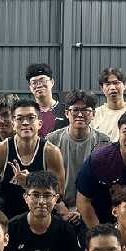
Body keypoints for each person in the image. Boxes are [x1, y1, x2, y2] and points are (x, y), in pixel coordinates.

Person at [0, 97, 66, 221]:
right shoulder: (0, 150)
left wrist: (30, 181)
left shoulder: (51, 152)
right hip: (8, 218)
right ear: (13, 124)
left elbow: (59, 194)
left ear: (39, 123)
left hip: (42, 218)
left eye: (31, 118)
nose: (25, 123)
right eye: (20, 119)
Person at [45, 91, 109, 225]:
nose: (80, 115)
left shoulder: (103, 141)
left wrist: (82, 210)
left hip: (92, 209)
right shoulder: (52, 140)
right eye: (75, 110)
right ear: (66, 113)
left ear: (93, 114)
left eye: (85, 110)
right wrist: (61, 208)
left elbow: (103, 182)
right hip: (57, 208)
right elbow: (46, 178)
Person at [93, 67, 126, 140]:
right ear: (102, 88)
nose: (112, 87)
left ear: (124, 85)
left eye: (116, 83)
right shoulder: (94, 115)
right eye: (108, 84)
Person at [25, 62, 67, 136]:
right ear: (30, 87)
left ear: (52, 82)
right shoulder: (27, 113)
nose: (39, 85)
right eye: (34, 83)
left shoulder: (66, 111)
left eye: (42, 81)